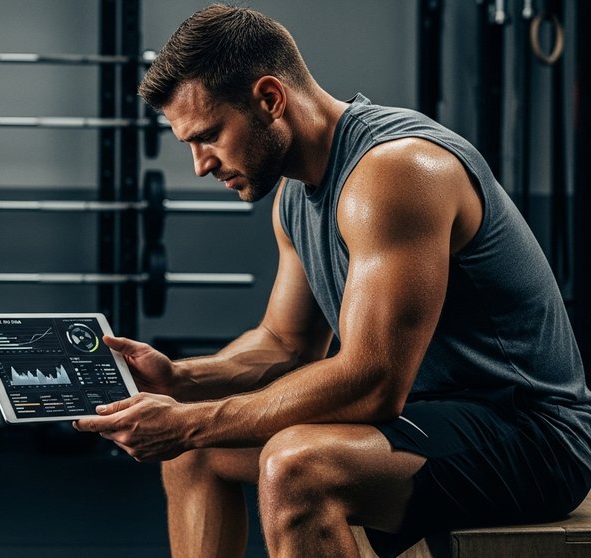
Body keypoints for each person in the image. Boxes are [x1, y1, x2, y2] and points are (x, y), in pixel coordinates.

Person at [72, 4, 591, 557]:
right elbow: (285, 343)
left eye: (210, 135)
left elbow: (372, 382)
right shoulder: (295, 194)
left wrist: (191, 421)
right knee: (196, 454)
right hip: (427, 420)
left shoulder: (395, 172)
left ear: (270, 99)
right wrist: (180, 378)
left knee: (295, 467)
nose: (202, 164)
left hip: (533, 437)